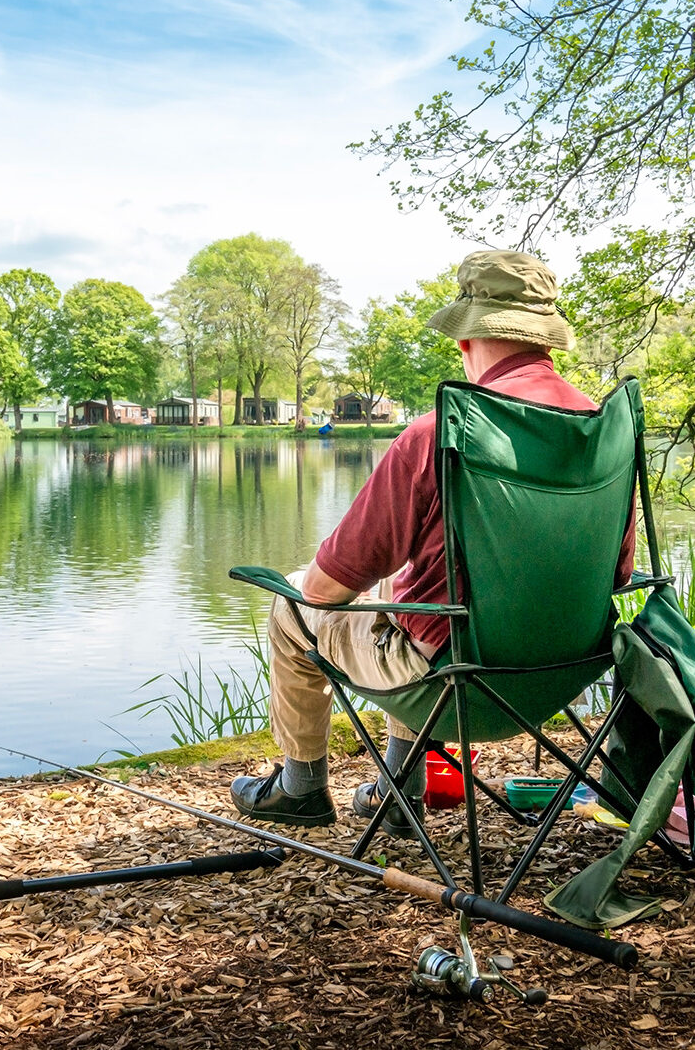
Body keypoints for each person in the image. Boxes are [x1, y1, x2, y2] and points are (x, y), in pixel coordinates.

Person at [229, 250, 634, 829]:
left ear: (466, 342)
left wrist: (331, 589)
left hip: (454, 685)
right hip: (562, 676)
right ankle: (398, 789)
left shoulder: (438, 434)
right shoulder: (601, 430)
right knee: (406, 586)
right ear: (546, 340)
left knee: (292, 602)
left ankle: (300, 787)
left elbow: (327, 587)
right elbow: (618, 575)